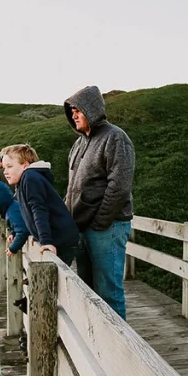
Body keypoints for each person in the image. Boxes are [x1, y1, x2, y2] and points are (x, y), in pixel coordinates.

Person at [64, 85, 135, 320]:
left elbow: (120, 186)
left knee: (108, 293)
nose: (73, 115)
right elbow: (72, 188)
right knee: (87, 291)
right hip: (81, 227)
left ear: (91, 109)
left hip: (107, 227)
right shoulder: (78, 144)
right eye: (72, 111)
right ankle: (93, 339)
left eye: (78, 110)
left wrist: (100, 222)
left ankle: (118, 343)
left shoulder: (115, 137)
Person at [1, 144, 79, 265]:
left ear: (25, 165)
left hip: (60, 239)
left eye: (9, 166)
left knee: (57, 275)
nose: (5, 172)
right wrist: (18, 232)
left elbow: (39, 210)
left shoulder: (29, 178)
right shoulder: (23, 181)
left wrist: (46, 241)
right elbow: (27, 213)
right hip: (57, 237)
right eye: (4, 167)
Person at [0, 180, 29, 257]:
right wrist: (13, 234)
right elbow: (20, 224)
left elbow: (23, 230)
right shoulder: (13, 207)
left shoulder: (12, 212)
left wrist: (13, 248)